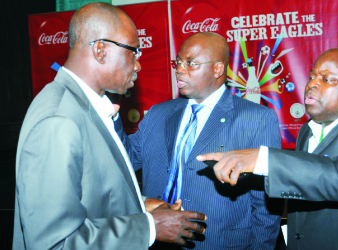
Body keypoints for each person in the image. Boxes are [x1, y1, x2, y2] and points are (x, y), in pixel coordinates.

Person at [13, 3, 206, 250]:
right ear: (101, 51)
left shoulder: (86, 108)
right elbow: (56, 243)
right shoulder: (58, 120)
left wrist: (141, 204)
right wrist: (149, 228)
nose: (138, 65)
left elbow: (93, 197)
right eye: (133, 51)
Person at [197, 48, 338, 249]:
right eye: (312, 76)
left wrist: (264, 159)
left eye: (326, 79)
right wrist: (248, 169)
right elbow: (308, 182)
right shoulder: (307, 129)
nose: (312, 83)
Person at [115, 32, 282, 249]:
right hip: (158, 241)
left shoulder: (256, 118)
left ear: (218, 69)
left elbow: (266, 202)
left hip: (219, 243)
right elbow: (125, 160)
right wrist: (113, 114)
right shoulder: (158, 113)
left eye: (190, 63)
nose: (180, 69)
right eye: (179, 62)